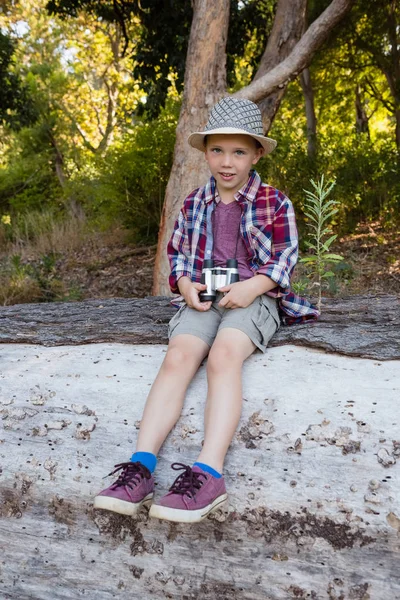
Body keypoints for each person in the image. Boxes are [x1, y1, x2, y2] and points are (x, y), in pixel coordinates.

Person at [94, 97, 319, 524]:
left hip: (255, 298)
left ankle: (209, 472)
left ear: (256, 154)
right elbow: (177, 253)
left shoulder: (275, 202)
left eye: (239, 152)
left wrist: (254, 285)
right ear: (205, 152)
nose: (227, 162)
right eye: (218, 150)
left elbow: (285, 256)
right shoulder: (195, 202)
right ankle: (140, 468)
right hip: (205, 297)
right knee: (178, 355)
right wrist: (183, 284)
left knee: (223, 356)